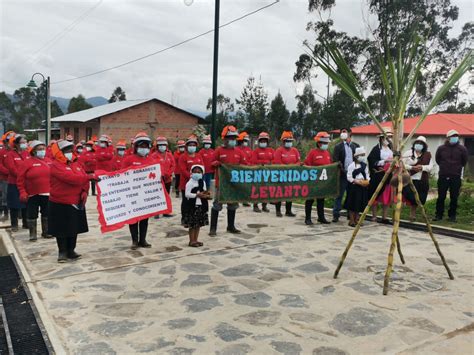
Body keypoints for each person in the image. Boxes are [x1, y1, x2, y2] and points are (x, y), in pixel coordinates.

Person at [49, 140, 90, 262]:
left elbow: (83, 180)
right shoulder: (55, 165)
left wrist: (84, 191)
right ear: (59, 152)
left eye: (70, 150)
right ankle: (62, 252)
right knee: (61, 228)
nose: (69, 153)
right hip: (60, 202)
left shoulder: (76, 164)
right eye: (66, 151)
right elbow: (72, 179)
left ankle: (71, 250)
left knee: (74, 227)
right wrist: (89, 177)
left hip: (76, 201)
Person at [210, 125, 246, 236]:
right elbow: (211, 164)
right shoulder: (218, 151)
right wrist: (215, 164)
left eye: (234, 138)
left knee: (233, 205)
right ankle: (213, 228)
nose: (232, 140)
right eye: (230, 138)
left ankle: (231, 226)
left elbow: (244, 166)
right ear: (224, 139)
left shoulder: (239, 152)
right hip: (221, 184)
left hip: (234, 184)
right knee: (217, 205)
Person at [122, 132, 155, 249]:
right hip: (132, 194)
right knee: (133, 219)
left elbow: (155, 176)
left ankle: (143, 240)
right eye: (141, 146)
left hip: (146, 194)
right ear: (136, 147)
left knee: (145, 218)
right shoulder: (128, 159)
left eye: (146, 147)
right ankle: (134, 241)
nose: (143, 149)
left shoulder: (151, 160)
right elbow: (123, 175)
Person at [17, 140, 52, 241]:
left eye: (43, 149)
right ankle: (32, 234)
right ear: (33, 151)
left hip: (47, 193)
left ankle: (46, 231)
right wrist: (22, 191)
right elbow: (20, 180)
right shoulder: (27, 163)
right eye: (39, 149)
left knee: (47, 212)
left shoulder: (49, 161)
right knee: (32, 214)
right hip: (32, 194)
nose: (42, 151)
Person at [433, 130, 468, 222]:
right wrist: (444, 167)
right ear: (447, 138)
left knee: (454, 197)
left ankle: (452, 216)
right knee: (441, 196)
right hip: (443, 175)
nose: (454, 138)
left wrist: (456, 168)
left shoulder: (462, 149)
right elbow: (438, 160)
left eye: (456, 136)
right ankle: (438, 215)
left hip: (456, 176)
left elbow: (464, 161)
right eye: (452, 136)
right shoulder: (441, 148)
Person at [402, 136, 433, 221]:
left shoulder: (427, 155)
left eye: (421, 144)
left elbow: (430, 167)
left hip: (422, 179)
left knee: (420, 198)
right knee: (411, 196)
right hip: (410, 178)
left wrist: (422, 167)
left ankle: (413, 214)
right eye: (417, 143)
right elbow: (401, 164)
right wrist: (412, 168)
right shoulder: (408, 153)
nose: (419, 145)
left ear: (424, 146)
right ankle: (406, 212)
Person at [304, 132, 332, 225]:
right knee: (310, 200)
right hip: (313, 181)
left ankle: (321, 217)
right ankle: (308, 218)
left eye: (327, 143)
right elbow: (306, 165)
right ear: (319, 143)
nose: (326, 145)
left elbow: (329, 166)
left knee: (321, 200)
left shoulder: (327, 153)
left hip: (322, 181)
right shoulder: (313, 152)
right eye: (324, 143)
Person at [332, 128, 359, 222]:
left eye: (345, 132)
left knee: (351, 195)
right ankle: (336, 214)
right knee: (339, 195)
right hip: (342, 174)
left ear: (350, 133)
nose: (343, 134)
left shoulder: (355, 146)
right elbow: (335, 159)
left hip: (352, 174)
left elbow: (358, 159)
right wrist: (342, 169)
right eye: (342, 132)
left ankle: (350, 213)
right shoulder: (338, 146)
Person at [367, 128, 394, 224]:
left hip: (388, 175)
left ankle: (384, 217)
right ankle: (374, 216)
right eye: (386, 137)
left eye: (390, 137)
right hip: (378, 176)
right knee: (375, 195)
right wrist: (384, 162)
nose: (388, 139)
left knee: (386, 197)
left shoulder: (392, 149)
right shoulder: (376, 149)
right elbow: (372, 160)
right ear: (381, 138)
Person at [5, 133, 29, 232]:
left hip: (26, 183)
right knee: (14, 204)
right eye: (22, 142)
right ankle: (14, 224)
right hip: (14, 183)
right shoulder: (11, 154)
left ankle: (26, 223)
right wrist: (22, 176)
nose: (24, 144)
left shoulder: (27, 153)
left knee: (26, 203)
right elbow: (11, 168)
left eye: (25, 142)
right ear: (17, 144)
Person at [273, 131, 300, 217]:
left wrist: (296, 165)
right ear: (283, 141)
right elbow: (277, 163)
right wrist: (290, 166)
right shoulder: (279, 151)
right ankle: (278, 210)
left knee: (290, 193)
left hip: (292, 176)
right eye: (287, 141)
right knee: (279, 193)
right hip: (281, 175)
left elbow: (298, 161)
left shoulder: (295, 151)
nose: (289, 143)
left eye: (290, 141)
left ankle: (288, 211)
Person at [178, 136, 204, 225]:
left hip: (198, 183)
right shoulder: (182, 157)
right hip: (186, 183)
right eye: (190, 145)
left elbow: (202, 167)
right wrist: (192, 178)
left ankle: (193, 217)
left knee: (195, 201)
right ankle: (184, 218)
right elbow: (183, 170)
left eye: (194, 145)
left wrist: (199, 178)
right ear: (187, 146)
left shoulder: (199, 156)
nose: (192, 147)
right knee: (186, 201)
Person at [183, 165, 210, 247]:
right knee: (192, 225)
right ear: (191, 173)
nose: (197, 174)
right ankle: (191, 241)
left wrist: (206, 195)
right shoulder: (190, 183)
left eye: (199, 172)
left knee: (198, 224)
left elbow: (204, 191)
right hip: (192, 206)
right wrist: (196, 195)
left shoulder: (203, 182)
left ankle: (196, 239)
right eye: (195, 172)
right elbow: (187, 194)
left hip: (201, 205)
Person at [344, 147, 370, 227]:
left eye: (364, 155)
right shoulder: (352, 165)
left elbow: (367, 175)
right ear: (357, 156)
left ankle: (357, 219)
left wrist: (367, 181)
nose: (363, 157)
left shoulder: (364, 166)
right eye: (361, 155)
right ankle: (351, 220)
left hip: (362, 187)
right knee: (353, 204)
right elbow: (349, 176)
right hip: (354, 187)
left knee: (359, 204)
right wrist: (357, 181)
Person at [251, 132, 274, 213]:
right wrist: (264, 162)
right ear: (259, 141)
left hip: (268, 174)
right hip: (258, 174)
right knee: (257, 189)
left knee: (266, 190)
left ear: (267, 142)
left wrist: (267, 163)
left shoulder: (271, 150)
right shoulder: (256, 151)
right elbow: (253, 161)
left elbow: (273, 160)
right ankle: (255, 205)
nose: (263, 142)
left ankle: (264, 206)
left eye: (265, 141)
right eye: (262, 141)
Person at [0, 131, 15, 221]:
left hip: (16, 177)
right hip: (5, 178)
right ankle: (5, 213)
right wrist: (8, 172)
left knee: (16, 195)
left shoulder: (16, 152)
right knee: (5, 196)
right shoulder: (2, 152)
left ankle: (19, 213)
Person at [236, 131, 252, 206]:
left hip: (247, 171)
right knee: (237, 186)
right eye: (245, 141)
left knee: (246, 186)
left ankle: (244, 200)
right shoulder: (236, 149)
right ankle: (236, 200)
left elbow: (251, 159)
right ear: (240, 141)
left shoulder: (249, 150)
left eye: (246, 141)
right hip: (238, 171)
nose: (246, 142)